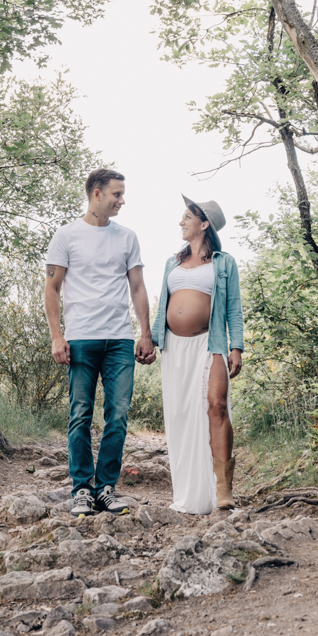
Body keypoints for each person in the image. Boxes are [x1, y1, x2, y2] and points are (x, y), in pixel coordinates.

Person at [44, 168, 155, 518]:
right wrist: (57, 336)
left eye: (122, 194)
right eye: (116, 194)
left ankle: (105, 487)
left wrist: (145, 332)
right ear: (96, 194)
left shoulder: (127, 237)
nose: (122, 200)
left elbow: (137, 287)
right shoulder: (66, 236)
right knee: (79, 415)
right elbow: (52, 288)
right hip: (80, 339)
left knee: (118, 415)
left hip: (120, 339)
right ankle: (81, 489)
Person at [151, 196, 243, 514]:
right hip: (174, 349)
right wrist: (150, 339)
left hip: (209, 342)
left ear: (204, 224)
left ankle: (223, 490)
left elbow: (233, 308)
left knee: (216, 405)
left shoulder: (224, 262)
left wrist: (237, 347)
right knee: (180, 416)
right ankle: (192, 490)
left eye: (187, 217)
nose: (181, 221)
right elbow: (162, 304)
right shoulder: (171, 263)